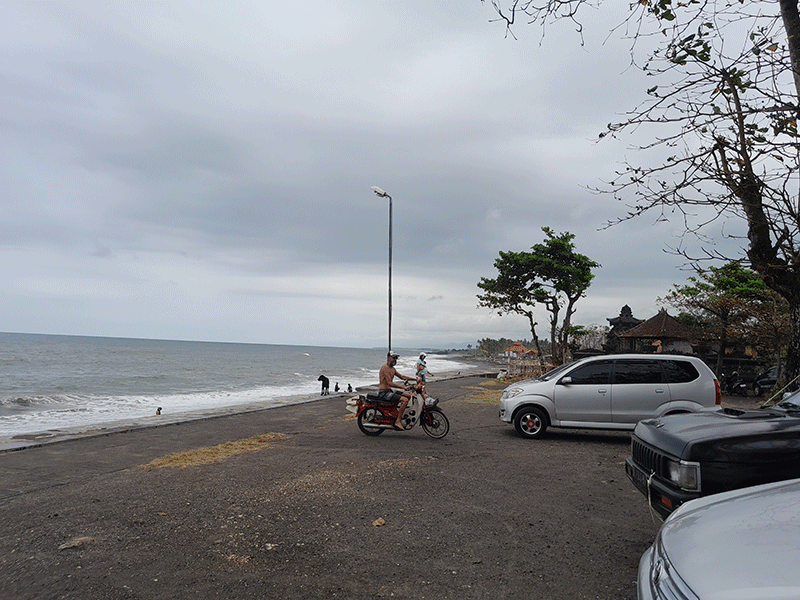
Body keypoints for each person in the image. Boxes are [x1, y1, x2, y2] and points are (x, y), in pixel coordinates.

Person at [379, 351, 415, 429]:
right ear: (388, 358)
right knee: (404, 400)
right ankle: (398, 421)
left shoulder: (392, 369)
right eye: (394, 358)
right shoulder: (385, 368)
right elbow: (389, 383)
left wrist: (415, 379)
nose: (395, 360)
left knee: (408, 396)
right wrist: (403, 387)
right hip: (384, 393)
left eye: (396, 358)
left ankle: (396, 414)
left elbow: (402, 377)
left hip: (389, 391)